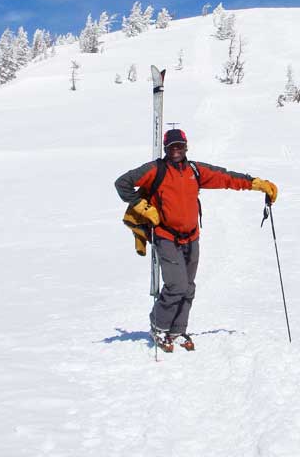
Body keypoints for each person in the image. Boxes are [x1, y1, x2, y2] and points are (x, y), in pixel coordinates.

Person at [114, 128, 277, 352]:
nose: (176, 150)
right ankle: (159, 326)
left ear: (186, 146)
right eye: (172, 147)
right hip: (166, 236)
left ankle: (178, 330)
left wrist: (256, 183)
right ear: (166, 148)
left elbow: (226, 177)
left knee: (188, 287)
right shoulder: (156, 170)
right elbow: (122, 183)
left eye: (180, 146)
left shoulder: (195, 170)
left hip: (191, 237)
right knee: (176, 286)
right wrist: (143, 206)